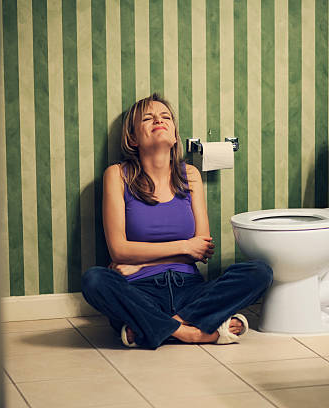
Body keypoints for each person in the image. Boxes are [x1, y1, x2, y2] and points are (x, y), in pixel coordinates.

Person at [81, 93, 273, 349]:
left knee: (259, 272)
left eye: (165, 117)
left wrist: (140, 260)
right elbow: (118, 249)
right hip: (140, 291)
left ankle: (153, 327)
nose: (158, 120)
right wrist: (184, 246)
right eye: (148, 118)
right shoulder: (117, 176)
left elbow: (201, 249)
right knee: (95, 279)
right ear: (132, 138)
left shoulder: (189, 175)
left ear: (174, 135)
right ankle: (193, 333)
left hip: (190, 290)